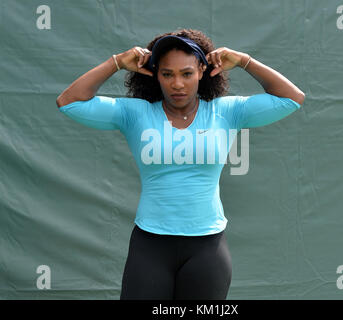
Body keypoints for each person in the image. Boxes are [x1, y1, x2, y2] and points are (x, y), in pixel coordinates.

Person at [56, 28, 305, 300]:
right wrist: (117, 61)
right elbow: (69, 102)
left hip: (207, 249)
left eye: (186, 73)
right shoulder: (135, 114)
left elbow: (291, 98)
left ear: (202, 71)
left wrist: (244, 60)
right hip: (150, 246)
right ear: (154, 75)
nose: (177, 84)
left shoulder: (226, 112)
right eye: (167, 74)